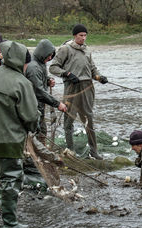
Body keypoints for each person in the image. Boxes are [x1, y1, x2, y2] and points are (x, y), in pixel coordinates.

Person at [0, 40, 40, 228]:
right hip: (8, 141)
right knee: (10, 180)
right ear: (21, 61)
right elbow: (30, 116)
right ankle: (10, 222)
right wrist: (33, 127)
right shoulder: (22, 83)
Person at [49, 24, 108, 160]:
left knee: (89, 119)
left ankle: (94, 151)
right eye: (81, 35)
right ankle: (70, 150)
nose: (83, 38)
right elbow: (53, 67)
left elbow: (93, 69)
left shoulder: (87, 50)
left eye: (85, 35)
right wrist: (67, 74)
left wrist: (99, 77)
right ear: (75, 36)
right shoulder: (65, 49)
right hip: (72, 88)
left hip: (87, 88)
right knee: (68, 120)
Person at [25, 39, 67, 145]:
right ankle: (33, 157)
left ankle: (40, 154)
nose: (50, 58)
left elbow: (40, 79)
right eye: (49, 55)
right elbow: (39, 91)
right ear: (42, 53)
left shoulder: (41, 63)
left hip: (39, 108)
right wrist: (57, 104)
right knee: (35, 133)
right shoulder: (33, 67)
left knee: (42, 132)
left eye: (52, 55)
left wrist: (48, 80)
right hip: (32, 108)